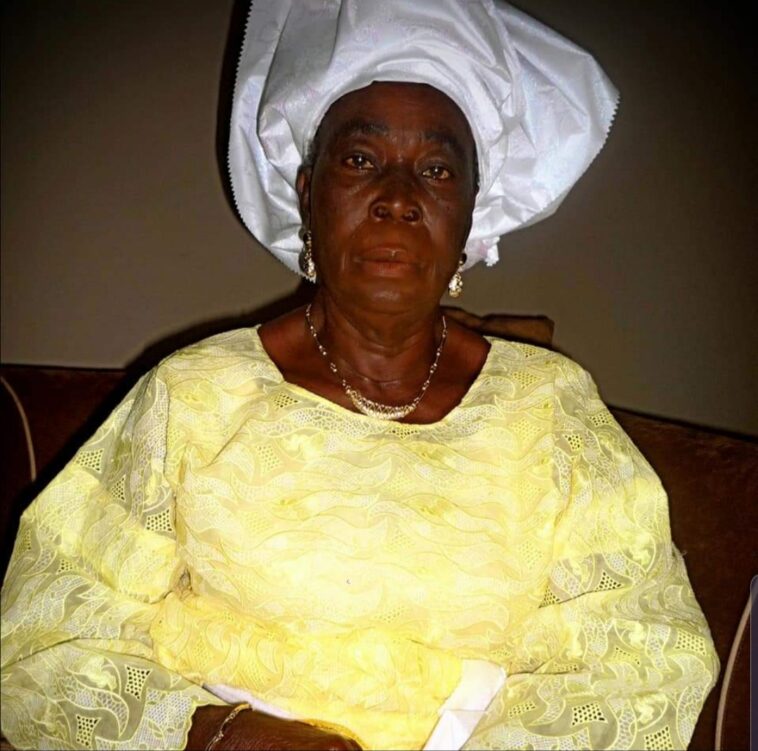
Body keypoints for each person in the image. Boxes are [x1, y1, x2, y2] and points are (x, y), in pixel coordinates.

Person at [1, 1, 718, 749]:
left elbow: (644, 661)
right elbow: (47, 634)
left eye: (436, 170)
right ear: (307, 194)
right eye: (360, 161)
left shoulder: (550, 410)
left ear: (470, 216)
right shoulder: (196, 394)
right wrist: (224, 734)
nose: (398, 198)